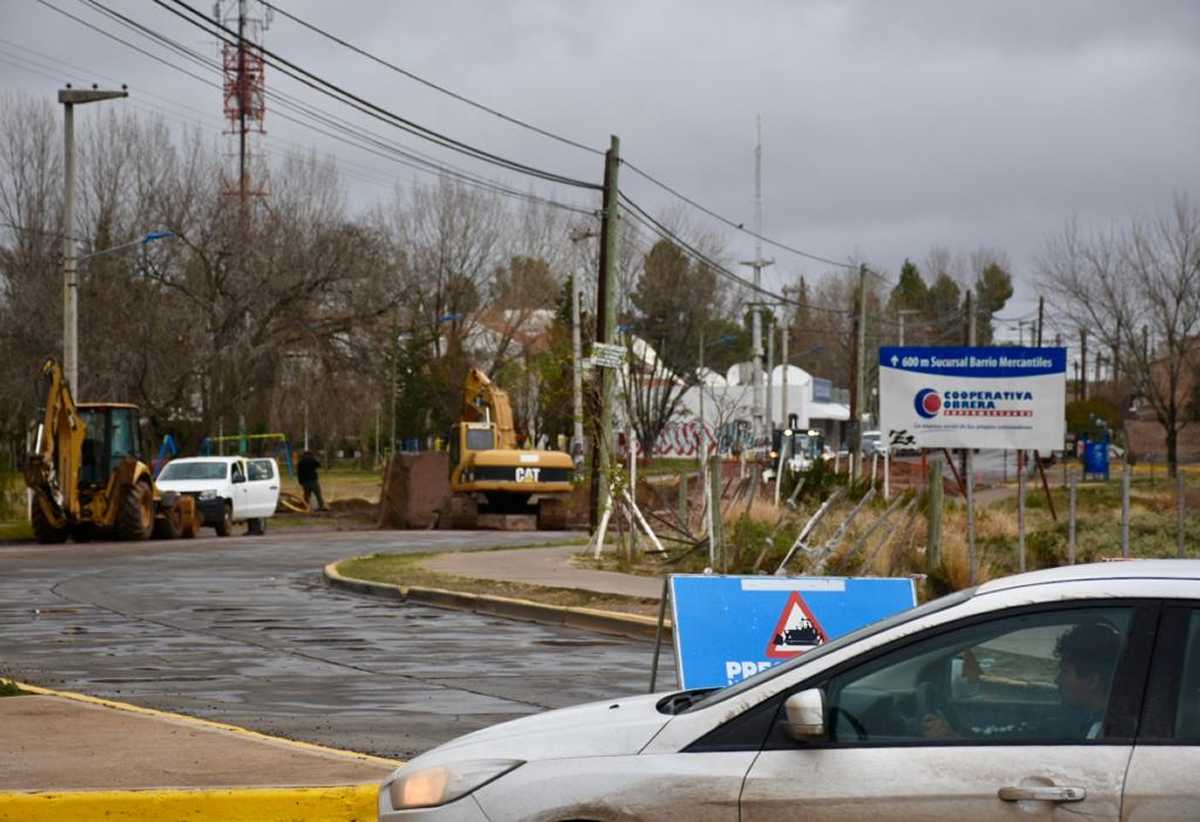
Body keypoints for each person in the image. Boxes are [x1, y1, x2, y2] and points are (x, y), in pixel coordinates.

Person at [1054, 620, 1122, 739]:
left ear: (1092, 681)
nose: (1057, 680)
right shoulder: (1110, 723)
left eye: (1065, 672)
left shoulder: (1103, 733)